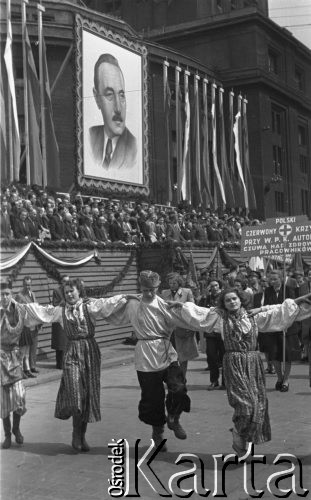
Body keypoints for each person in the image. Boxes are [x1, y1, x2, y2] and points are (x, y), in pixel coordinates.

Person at [168, 287, 311, 457]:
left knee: (258, 405)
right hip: (233, 363)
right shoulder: (219, 317)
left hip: (253, 363)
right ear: (224, 303)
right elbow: (198, 314)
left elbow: (280, 312)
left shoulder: (254, 315)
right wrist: (181, 306)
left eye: (234, 299)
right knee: (244, 405)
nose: (232, 302)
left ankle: (244, 439)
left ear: (240, 299)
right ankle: (238, 431)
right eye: (228, 300)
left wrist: (299, 301)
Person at [20, 278, 135, 453]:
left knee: (87, 393)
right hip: (72, 350)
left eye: (72, 291)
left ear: (79, 291)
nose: (69, 294)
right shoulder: (61, 311)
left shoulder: (89, 306)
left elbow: (108, 304)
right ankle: (75, 433)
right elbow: (41, 311)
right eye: (66, 292)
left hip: (90, 350)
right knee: (75, 391)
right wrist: (17, 306)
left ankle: (82, 435)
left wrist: (128, 296)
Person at [89, 53, 137, 175]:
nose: (118, 108)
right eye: (109, 94)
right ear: (96, 98)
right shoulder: (90, 137)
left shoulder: (134, 148)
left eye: (122, 95)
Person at [0, 280, 26, 449]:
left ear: (12, 294)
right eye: (1, 294)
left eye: (7, 293)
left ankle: (16, 428)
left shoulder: (18, 310)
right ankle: (7, 435)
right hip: (0, 357)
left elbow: (30, 313)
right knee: (3, 401)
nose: (4, 297)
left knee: (19, 397)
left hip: (15, 356)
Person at [264, 270, 296, 392]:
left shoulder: (288, 289)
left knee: (286, 355)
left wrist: (287, 320)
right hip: (274, 326)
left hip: (287, 327)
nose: (272, 282)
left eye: (275, 279)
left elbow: (293, 306)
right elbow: (267, 306)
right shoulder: (267, 291)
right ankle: (279, 378)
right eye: (271, 279)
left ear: (282, 278)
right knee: (274, 354)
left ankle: (286, 380)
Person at [161, 272, 198, 378]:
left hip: (182, 327)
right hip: (169, 329)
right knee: (169, 355)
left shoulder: (187, 292)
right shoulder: (164, 293)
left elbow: (192, 307)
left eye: (174, 283)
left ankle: (182, 378)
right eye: (170, 283)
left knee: (182, 356)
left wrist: (180, 306)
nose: (171, 285)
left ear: (179, 283)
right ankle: (172, 378)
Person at [199, 279, 225, 390]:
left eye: (216, 285)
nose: (214, 287)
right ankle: (214, 381)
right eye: (212, 286)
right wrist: (204, 297)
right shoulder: (207, 298)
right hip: (210, 333)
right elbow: (201, 310)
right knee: (211, 356)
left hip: (222, 332)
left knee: (224, 357)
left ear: (220, 286)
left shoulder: (224, 297)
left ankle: (226, 381)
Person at [15, 276, 40, 377]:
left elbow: (36, 307)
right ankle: (24, 370)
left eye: (29, 285)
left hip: (34, 325)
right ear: (23, 284)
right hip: (25, 326)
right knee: (24, 350)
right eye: (26, 285)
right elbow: (16, 310)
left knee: (32, 347)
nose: (27, 287)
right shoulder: (19, 296)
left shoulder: (33, 294)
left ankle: (31, 367)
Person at [51, 275, 70, 369]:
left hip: (67, 318)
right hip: (58, 319)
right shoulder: (56, 291)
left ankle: (65, 362)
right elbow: (54, 304)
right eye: (64, 281)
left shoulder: (69, 291)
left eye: (68, 281)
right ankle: (59, 364)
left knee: (66, 342)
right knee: (59, 343)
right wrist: (61, 303)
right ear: (61, 282)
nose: (66, 283)